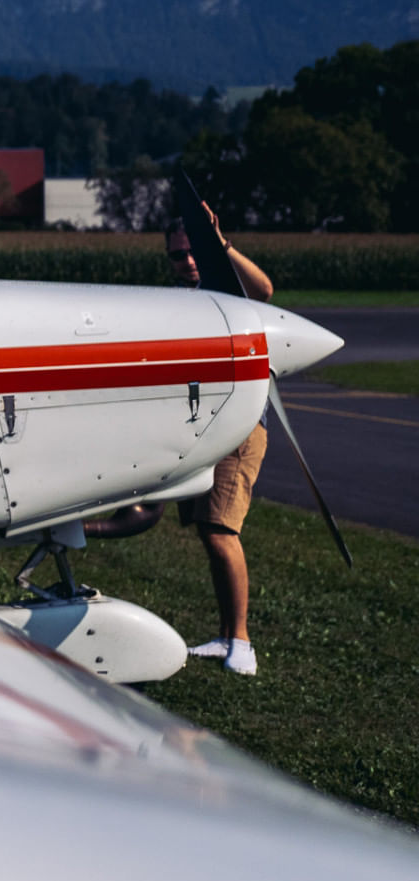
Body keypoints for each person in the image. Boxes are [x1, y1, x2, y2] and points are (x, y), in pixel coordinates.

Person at [168, 206, 274, 676]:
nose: (187, 262)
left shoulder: (230, 290)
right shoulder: (180, 301)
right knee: (207, 534)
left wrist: (221, 243)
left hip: (241, 427)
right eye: (177, 256)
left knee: (220, 531)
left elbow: (266, 291)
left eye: (193, 252)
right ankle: (226, 633)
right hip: (204, 429)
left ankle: (243, 643)